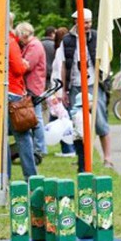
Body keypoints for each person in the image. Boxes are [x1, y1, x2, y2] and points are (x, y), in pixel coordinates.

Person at [58, 8, 114, 168]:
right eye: (85, 23)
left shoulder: (97, 37)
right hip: (76, 85)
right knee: (78, 124)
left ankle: (107, 158)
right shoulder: (67, 40)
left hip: (94, 85)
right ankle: (82, 159)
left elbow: (106, 59)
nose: (87, 26)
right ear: (77, 22)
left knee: (100, 122)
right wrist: (64, 90)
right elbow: (64, 65)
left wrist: (105, 79)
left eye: (89, 23)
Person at [7, 13, 37, 181]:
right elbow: (18, 68)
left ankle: (5, 177)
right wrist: (24, 65)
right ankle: (31, 177)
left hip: (3, 92)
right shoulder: (11, 42)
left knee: (3, 138)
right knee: (24, 136)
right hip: (15, 94)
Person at [15, 22, 47, 157]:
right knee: (35, 117)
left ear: (24, 34)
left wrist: (16, 61)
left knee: (36, 118)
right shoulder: (32, 45)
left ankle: (40, 148)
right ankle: (38, 146)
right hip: (35, 85)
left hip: (33, 86)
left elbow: (27, 65)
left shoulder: (34, 46)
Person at [50, 27, 76, 157]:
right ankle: (67, 147)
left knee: (63, 119)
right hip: (57, 88)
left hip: (58, 89)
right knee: (60, 118)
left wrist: (59, 91)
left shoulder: (61, 52)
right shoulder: (62, 50)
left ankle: (68, 148)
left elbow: (61, 70)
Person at [71, 92, 93, 172]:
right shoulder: (80, 115)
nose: (92, 103)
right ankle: (82, 169)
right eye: (91, 101)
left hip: (83, 137)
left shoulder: (86, 113)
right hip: (80, 139)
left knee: (84, 154)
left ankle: (85, 167)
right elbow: (80, 128)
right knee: (82, 155)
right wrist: (84, 137)